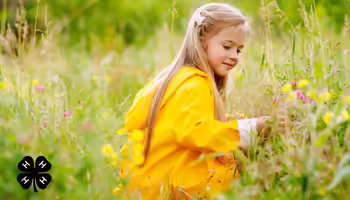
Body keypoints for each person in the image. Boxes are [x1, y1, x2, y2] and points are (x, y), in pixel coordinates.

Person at [118, 3, 275, 199]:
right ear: (202, 40)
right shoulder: (194, 84)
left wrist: (231, 123)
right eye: (227, 46)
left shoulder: (178, 78)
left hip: (152, 185)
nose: (234, 56)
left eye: (239, 49)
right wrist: (252, 127)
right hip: (167, 191)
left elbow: (187, 123)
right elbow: (195, 131)